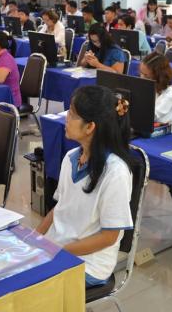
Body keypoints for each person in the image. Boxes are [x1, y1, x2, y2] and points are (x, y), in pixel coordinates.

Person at [36, 85, 134, 288]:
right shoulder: (70, 158)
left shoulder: (115, 172)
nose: (66, 118)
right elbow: (60, 207)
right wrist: (34, 237)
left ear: (90, 127)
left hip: (89, 264)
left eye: (72, 114)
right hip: (59, 248)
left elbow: (109, 237)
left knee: (26, 287)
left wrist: (60, 251)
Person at [140, 52, 172, 125]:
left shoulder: (170, 94)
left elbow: (153, 115)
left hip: (157, 128)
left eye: (146, 76)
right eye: (141, 73)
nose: (141, 78)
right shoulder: (146, 87)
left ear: (158, 76)